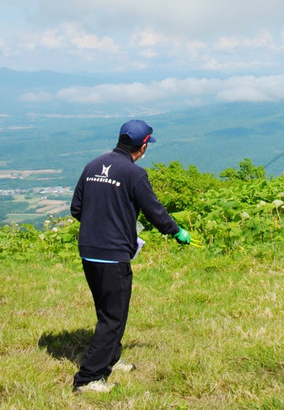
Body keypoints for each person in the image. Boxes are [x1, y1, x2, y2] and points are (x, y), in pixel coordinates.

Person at [70, 119, 191, 393]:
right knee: (113, 317)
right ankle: (88, 378)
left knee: (107, 311)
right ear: (144, 145)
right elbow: (154, 210)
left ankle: (111, 358)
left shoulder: (92, 165)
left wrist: (104, 225)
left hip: (89, 251)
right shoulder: (134, 174)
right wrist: (175, 231)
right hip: (113, 256)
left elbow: (77, 208)